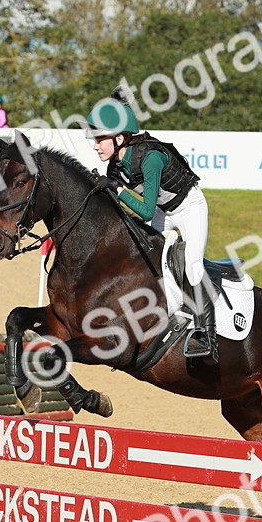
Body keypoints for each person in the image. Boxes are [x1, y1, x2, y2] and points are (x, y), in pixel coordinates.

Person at [85, 87, 215, 362]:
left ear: (119, 138)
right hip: (162, 211)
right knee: (143, 257)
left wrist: (117, 191)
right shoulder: (116, 166)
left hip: (189, 208)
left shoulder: (151, 157)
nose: (95, 144)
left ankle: (206, 333)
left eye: (100, 139)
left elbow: (143, 211)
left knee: (192, 264)